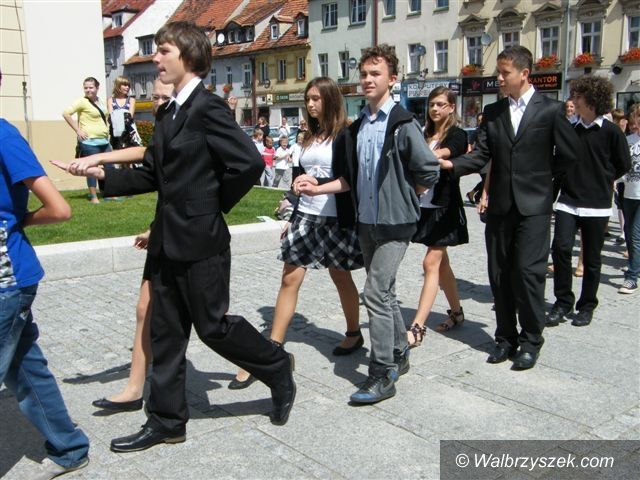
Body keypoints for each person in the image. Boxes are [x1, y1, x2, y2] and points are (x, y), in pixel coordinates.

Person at [55, 21, 296, 452]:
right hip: (167, 240)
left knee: (213, 327)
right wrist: (105, 175)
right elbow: (154, 172)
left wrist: (208, 205)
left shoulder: (208, 107)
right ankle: (167, 421)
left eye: (164, 50)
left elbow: (247, 162)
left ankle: (276, 366)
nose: (156, 58)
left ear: (187, 55)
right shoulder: (168, 113)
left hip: (202, 239)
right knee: (166, 332)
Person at [296, 44, 439, 404]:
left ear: (392, 79)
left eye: (376, 74)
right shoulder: (358, 127)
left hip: (396, 222)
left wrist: (406, 196)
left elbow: (428, 170)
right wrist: (316, 185)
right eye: (363, 74)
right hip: (365, 222)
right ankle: (398, 352)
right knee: (385, 291)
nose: (368, 79)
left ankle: (381, 372)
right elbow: (348, 179)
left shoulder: (402, 124)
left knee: (374, 292)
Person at [440, 46, 579, 370]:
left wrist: (545, 182)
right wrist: (451, 165)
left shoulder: (550, 110)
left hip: (534, 208)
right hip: (500, 206)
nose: (499, 79)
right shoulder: (494, 112)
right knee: (499, 273)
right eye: (498, 73)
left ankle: (531, 340)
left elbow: (570, 154)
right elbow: (482, 155)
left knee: (529, 274)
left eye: (505, 73)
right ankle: (505, 337)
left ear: (524, 74)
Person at [229, 77, 364, 389]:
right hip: (305, 216)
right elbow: (299, 177)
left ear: (330, 99)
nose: (311, 104)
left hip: (335, 218)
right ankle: (273, 350)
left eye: (316, 98)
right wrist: (292, 206)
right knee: (290, 278)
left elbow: (349, 181)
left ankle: (354, 333)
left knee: (341, 276)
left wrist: (317, 186)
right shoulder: (310, 137)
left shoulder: (345, 135)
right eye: (308, 99)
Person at [58, 79, 174, 413]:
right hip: (166, 230)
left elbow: (177, 182)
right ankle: (134, 388)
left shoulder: (187, 127)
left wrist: (99, 159)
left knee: (212, 324)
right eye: (154, 96)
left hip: (193, 237)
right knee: (144, 309)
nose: (157, 102)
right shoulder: (164, 127)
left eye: (164, 97)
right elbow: (150, 168)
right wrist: (99, 167)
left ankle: (270, 362)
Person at [0, 71, 90, 479]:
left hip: (7, 282)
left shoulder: (4, 136)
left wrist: (20, 221)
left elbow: (60, 208)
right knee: (25, 366)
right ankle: (70, 448)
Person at [547, 76, 631, 327]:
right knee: (561, 248)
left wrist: (603, 179)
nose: (574, 100)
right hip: (568, 200)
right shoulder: (570, 129)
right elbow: (559, 162)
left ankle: (586, 305)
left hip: (597, 204)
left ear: (592, 100)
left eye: (578, 96)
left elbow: (623, 164)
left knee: (592, 259)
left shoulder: (611, 131)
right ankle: (563, 301)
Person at [406, 87, 469, 347]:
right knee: (442, 265)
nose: (434, 108)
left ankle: (418, 326)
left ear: (451, 107)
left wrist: (431, 154)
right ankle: (457, 312)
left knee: (430, 263)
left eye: (441, 104)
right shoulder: (423, 133)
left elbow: (451, 150)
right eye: (432, 104)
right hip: (424, 207)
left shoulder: (457, 134)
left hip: (445, 208)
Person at [63, 77, 112, 204]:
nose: (88, 90)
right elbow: (66, 113)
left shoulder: (101, 101)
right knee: (91, 168)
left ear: (97, 88)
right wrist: (78, 130)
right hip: (89, 142)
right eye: (86, 88)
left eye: (91, 87)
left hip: (104, 141)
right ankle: (94, 197)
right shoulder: (82, 102)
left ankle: (108, 193)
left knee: (109, 167)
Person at [620, 103, 640, 294]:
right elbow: (622, 165)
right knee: (628, 231)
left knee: (635, 233)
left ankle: (632, 277)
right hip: (628, 192)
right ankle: (636, 264)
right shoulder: (629, 140)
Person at [107, 76, 140, 151]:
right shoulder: (110, 100)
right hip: (116, 133)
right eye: (125, 85)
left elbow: (129, 117)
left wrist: (118, 116)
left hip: (128, 132)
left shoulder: (131, 100)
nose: (127, 87)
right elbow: (111, 117)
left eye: (128, 85)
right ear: (118, 86)